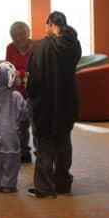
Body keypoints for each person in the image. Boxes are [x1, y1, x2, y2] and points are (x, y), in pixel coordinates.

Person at [26, 11, 82, 198]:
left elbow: (33, 82)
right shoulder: (74, 45)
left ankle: (44, 187)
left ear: (50, 23)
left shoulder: (41, 47)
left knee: (45, 144)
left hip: (46, 104)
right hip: (67, 101)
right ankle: (62, 182)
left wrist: (31, 96)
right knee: (64, 142)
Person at [0, 61, 29, 193]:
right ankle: (9, 185)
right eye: (15, 76)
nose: (18, 79)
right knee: (11, 159)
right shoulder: (16, 96)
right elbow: (23, 115)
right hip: (10, 133)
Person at [6, 21, 34, 163]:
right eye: (14, 35)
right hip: (17, 92)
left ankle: (40, 151)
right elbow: (8, 67)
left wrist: (20, 73)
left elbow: (38, 68)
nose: (18, 38)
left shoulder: (36, 46)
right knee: (21, 124)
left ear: (28, 33)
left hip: (34, 89)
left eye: (21, 34)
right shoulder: (10, 48)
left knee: (36, 123)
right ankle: (23, 151)